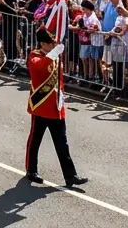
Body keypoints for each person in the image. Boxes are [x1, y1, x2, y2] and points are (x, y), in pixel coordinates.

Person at [23, 28, 86, 187]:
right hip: (41, 105)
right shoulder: (35, 56)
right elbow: (40, 69)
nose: (54, 45)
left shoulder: (54, 56)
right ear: (43, 44)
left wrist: (61, 97)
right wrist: (52, 55)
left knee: (62, 143)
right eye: (51, 43)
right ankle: (31, 170)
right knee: (35, 140)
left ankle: (70, 176)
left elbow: (59, 79)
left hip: (55, 107)